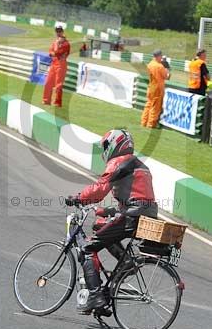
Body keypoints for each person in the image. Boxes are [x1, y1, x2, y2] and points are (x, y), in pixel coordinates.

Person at [65, 129, 158, 313]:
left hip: (132, 215)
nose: (105, 150)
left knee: (87, 248)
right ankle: (125, 263)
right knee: (100, 225)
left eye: (106, 145)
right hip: (146, 214)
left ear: (116, 143)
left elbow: (100, 190)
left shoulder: (119, 162)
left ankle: (95, 296)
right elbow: (135, 196)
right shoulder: (140, 165)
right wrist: (104, 211)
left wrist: (79, 198)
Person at [141, 49, 170, 128]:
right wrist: (167, 69)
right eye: (161, 56)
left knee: (148, 105)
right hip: (158, 88)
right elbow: (166, 76)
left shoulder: (150, 64)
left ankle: (144, 122)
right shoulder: (159, 66)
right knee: (155, 107)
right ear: (159, 56)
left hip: (151, 86)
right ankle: (151, 124)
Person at [43, 25, 70, 107]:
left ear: (62, 32)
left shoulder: (66, 44)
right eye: (57, 31)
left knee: (58, 85)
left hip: (61, 64)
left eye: (60, 31)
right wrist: (54, 52)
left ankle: (57, 103)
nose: (58, 33)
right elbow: (50, 52)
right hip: (54, 63)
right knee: (48, 82)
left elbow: (57, 53)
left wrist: (57, 45)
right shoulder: (55, 42)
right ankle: (46, 100)